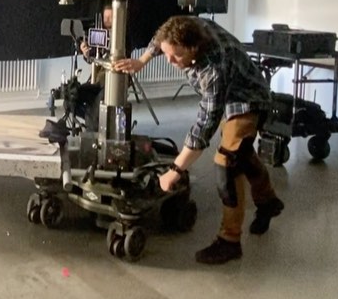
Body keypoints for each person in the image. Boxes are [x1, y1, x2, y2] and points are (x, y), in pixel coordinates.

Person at [114, 15, 284, 265]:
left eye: (177, 56)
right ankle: (268, 202)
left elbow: (204, 126)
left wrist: (175, 171)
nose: (170, 61)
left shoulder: (213, 68)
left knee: (227, 162)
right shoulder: (186, 28)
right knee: (243, 153)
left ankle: (229, 241)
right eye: (167, 54)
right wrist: (142, 60)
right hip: (230, 94)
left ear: (193, 48)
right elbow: (161, 39)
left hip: (248, 99)